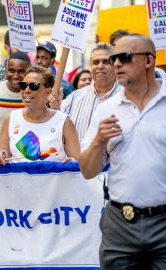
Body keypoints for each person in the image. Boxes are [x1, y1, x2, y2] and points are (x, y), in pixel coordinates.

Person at [79, 34, 166, 269]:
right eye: (114, 58)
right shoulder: (106, 110)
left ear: (149, 61)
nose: (116, 63)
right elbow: (87, 171)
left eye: (124, 58)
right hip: (119, 223)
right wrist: (98, 141)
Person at [0, 66, 80, 163]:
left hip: (52, 178)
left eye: (34, 86)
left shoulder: (64, 122)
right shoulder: (11, 118)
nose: (27, 90)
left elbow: (77, 162)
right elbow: (2, 153)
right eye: (23, 85)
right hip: (18, 178)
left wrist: (72, 161)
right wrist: (1, 155)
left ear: (48, 92)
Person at [60, 43, 122, 141]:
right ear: (90, 67)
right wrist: (54, 107)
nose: (100, 66)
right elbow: (58, 125)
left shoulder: (127, 96)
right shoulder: (73, 98)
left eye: (106, 62)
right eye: (96, 62)